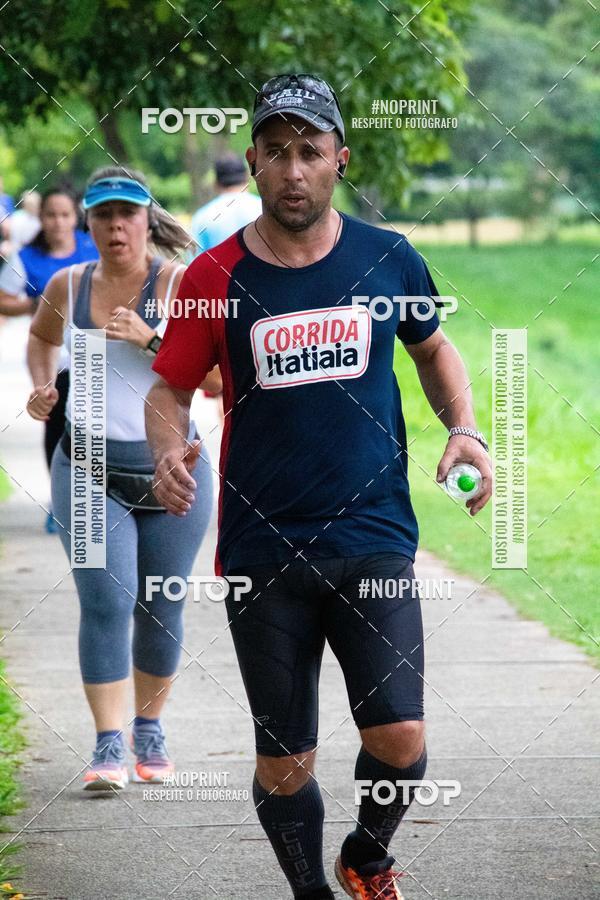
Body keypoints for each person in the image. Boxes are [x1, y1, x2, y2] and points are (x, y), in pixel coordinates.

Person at [147, 74, 492, 899]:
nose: (293, 169)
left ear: (340, 158)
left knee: (402, 733)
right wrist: (167, 450)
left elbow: (434, 347)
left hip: (371, 536)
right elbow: (168, 390)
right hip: (263, 549)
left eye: (310, 152)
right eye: (276, 152)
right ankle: (311, 892)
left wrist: (464, 428)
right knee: (285, 757)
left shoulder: (387, 256)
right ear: (253, 164)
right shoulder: (212, 278)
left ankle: (367, 858)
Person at [26, 166, 217, 791]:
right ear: (89, 223)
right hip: (86, 472)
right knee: (106, 602)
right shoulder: (67, 282)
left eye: (127, 214)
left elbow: (217, 382)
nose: (116, 227)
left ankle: (149, 727)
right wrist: (43, 384)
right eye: (103, 215)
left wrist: (154, 338)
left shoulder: (181, 284)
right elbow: (40, 337)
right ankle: (108, 745)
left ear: (146, 220)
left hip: (172, 470)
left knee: (160, 606)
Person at [0, 188, 99, 532]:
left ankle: (95, 500)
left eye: (65, 215)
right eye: (51, 215)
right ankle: (61, 502)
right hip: (54, 359)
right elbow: (4, 300)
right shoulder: (27, 258)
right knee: (58, 427)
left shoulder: (95, 248)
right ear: (41, 218)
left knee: (95, 427)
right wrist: (38, 305)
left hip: (99, 354)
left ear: (76, 217)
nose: (58, 222)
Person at [190, 152, 262, 257]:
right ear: (247, 177)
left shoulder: (201, 218)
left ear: (216, 183)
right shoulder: (264, 209)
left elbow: (193, 265)